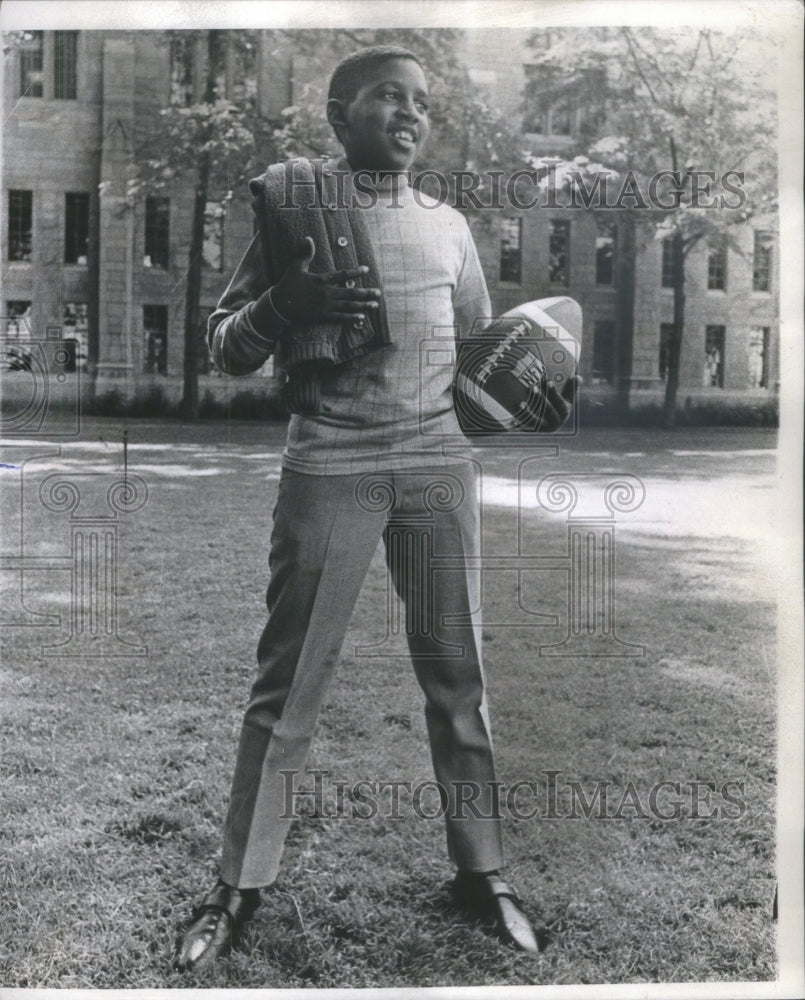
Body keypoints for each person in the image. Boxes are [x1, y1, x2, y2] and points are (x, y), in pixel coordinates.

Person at [174, 44, 578, 973]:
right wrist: (288, 301)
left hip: (438, 463)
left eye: (420, 102)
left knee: (457, 678)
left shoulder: (448, 226)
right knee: (286, 691)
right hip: (331, 456)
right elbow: (228, 349)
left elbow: (484, 359)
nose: (408, 114)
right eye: (386, 98)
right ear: (337, 114)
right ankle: (238, 886)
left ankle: (483, 875)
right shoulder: (293, 208)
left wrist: (538, 391)